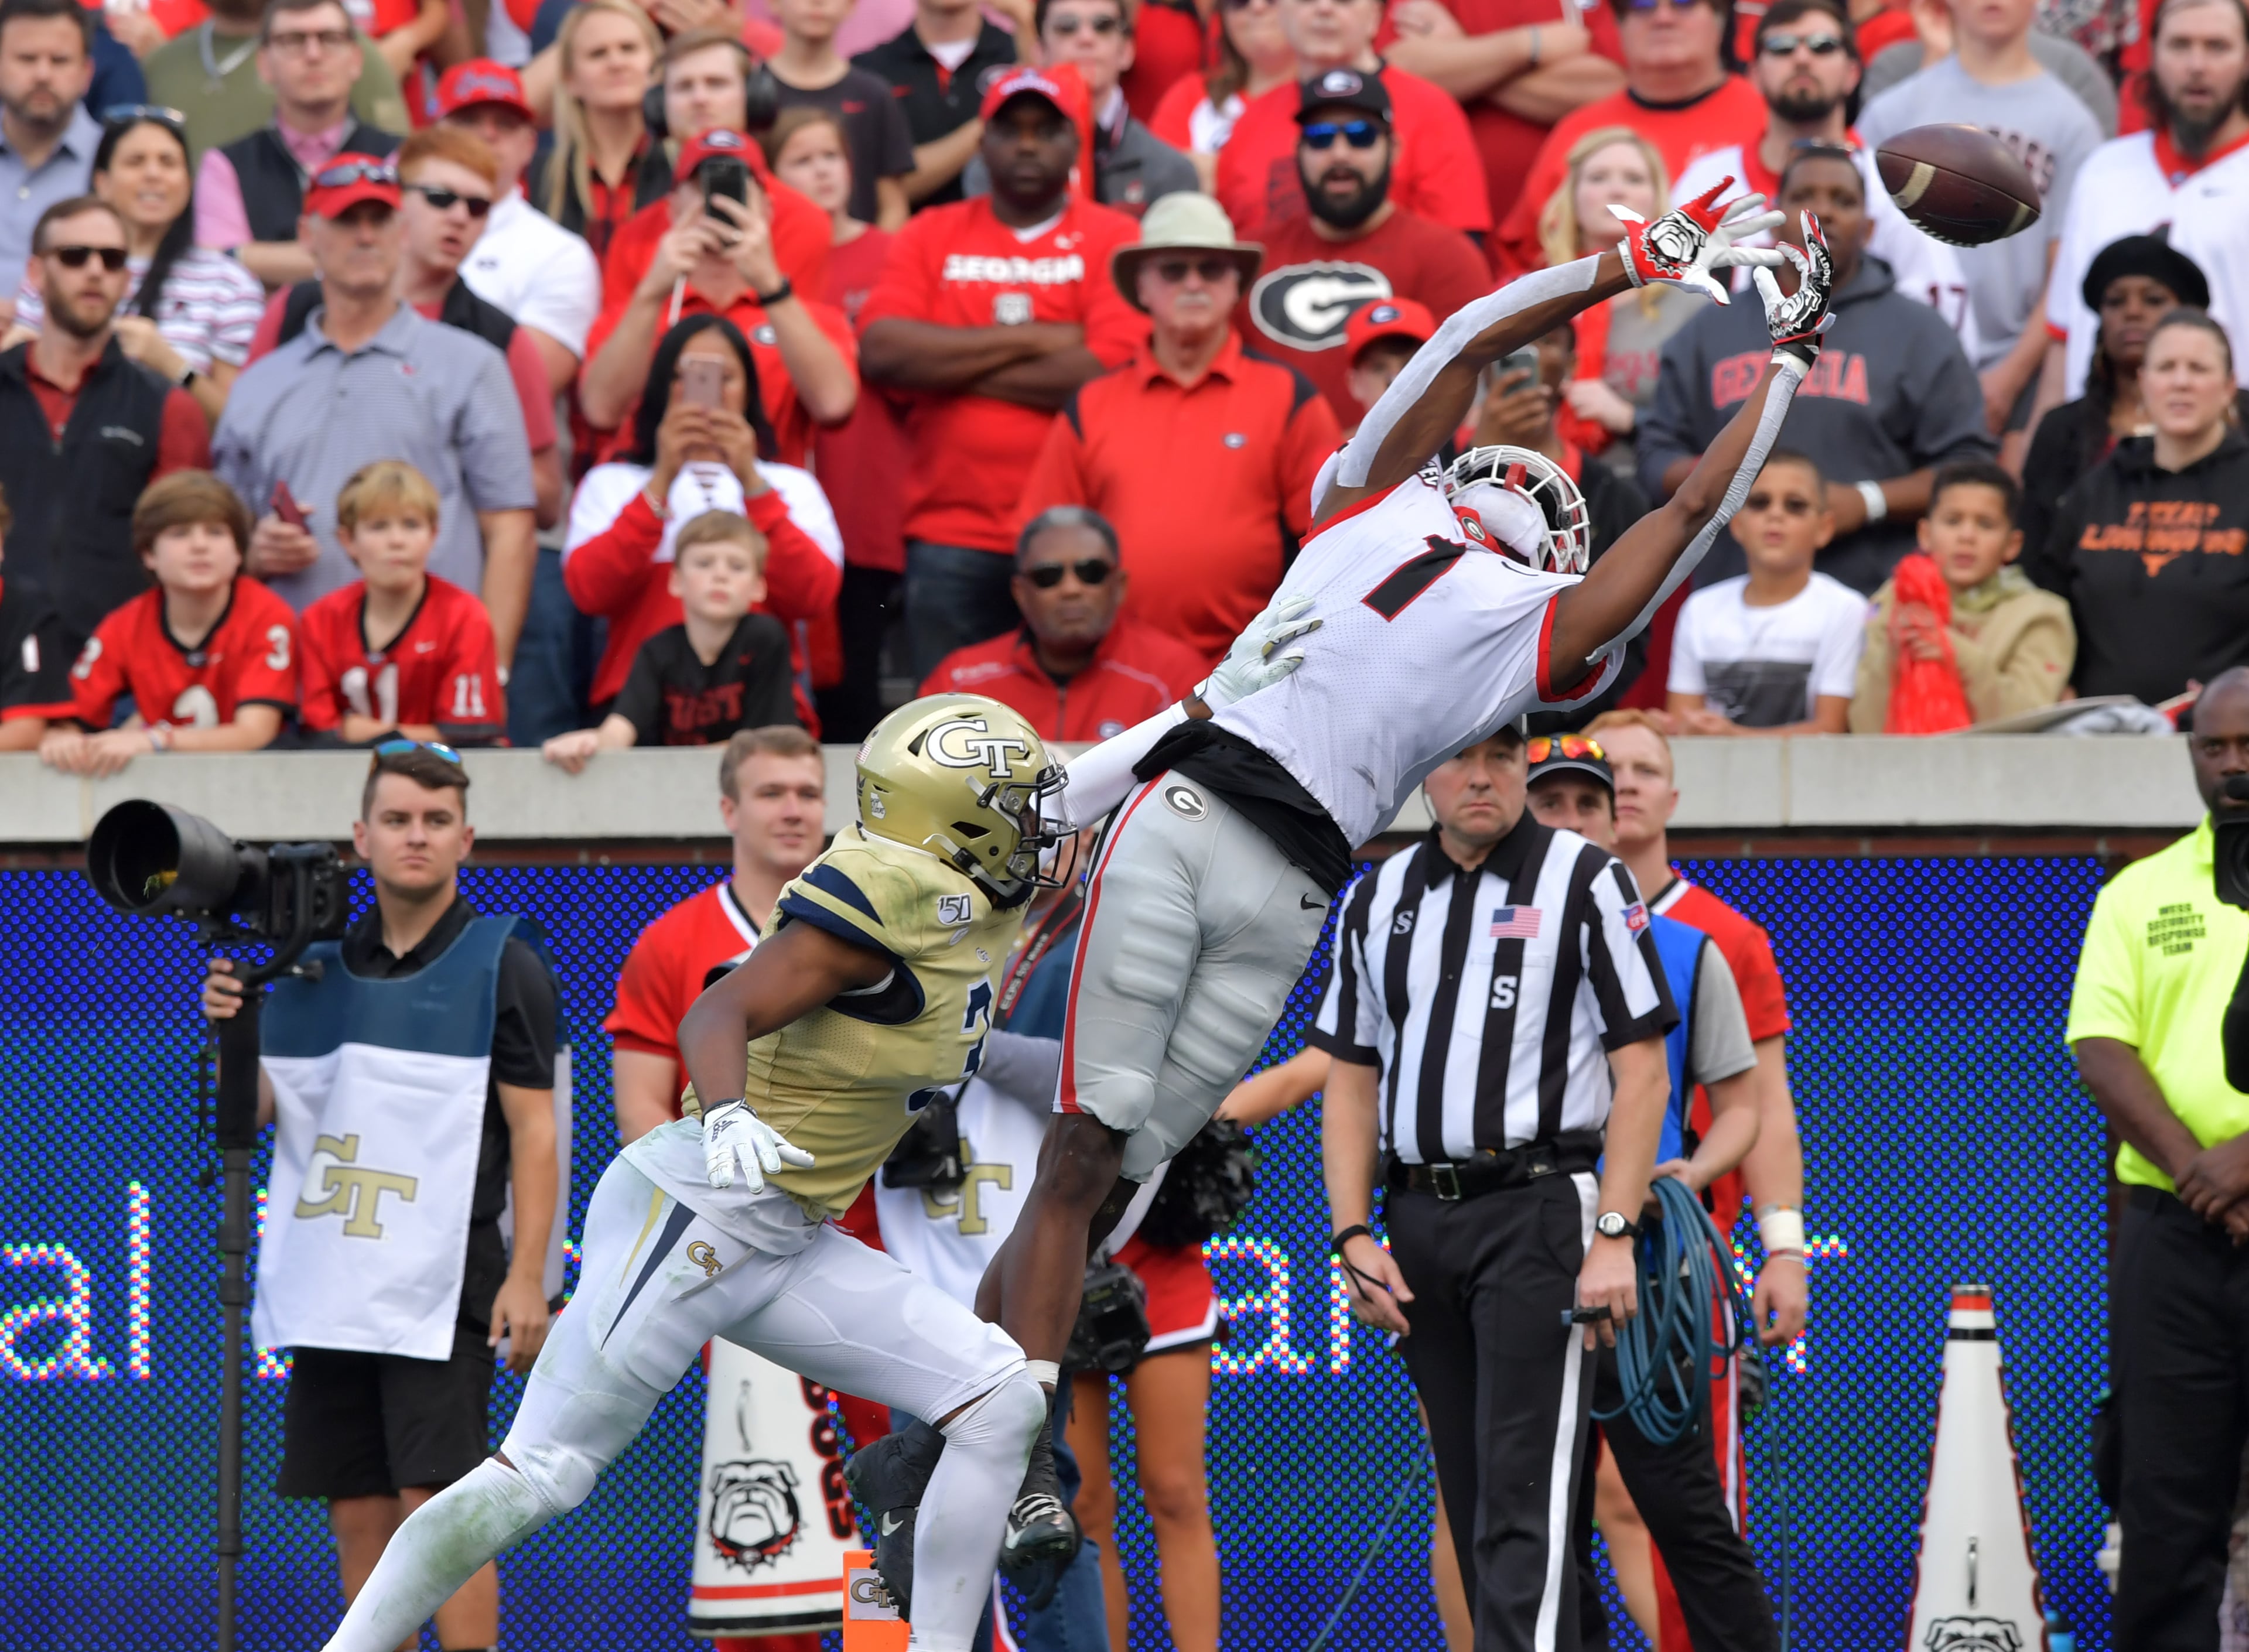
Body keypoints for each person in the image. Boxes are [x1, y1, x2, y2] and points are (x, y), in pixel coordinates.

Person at [849, 177, 1830, 1602]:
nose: (1530, 488)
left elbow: (1666, 502)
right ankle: (1018, 1448)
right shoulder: (1370, 504)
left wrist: (1767, 347)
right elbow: (1478, 346)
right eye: (1520, 475)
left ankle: (941, 1433)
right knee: (1079, 1156)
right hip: (1201, 809)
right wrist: (1651, 263)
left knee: (1112, 1181)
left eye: (1544, 495)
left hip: (1289, 887)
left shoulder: (1506, 619)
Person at [303, 673, 1315, 1652]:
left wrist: (1206, 702)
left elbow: (1077, 785)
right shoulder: (890, 890)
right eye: (1010, 807)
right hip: (701, 1207)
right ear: (959, 823)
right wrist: (731, 1109)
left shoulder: (971, 878)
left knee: (1001, 1398)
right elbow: (721, 1008)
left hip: (791, 1233)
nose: (1043, 824)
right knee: (542, 1474)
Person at [1310, 722, 1679, 1652]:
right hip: (1420, 1217)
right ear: (1422, 772)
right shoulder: (1377, 895)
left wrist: (1613, 1232)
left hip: (1541, 1207)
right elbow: (1351, 1079)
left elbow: (1645, 1074)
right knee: (1475, 1496)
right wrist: (1353, 1235)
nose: (1483, 776)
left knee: (1526, 1499)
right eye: (1461, 757)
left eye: (1503, 756)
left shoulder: (1585, 878)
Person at [203, 742, 559, 1652]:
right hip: (332, 1275)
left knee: (440, 1506)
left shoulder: (502, 961)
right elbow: (253, 1114)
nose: (416, 837)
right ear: (360, 836)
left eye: (436, 821)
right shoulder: (305, 966)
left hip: (448, 1275)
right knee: (359, 1507)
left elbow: (536, 1131)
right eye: (397, 819)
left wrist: (529, 1277)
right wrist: (232, 1029)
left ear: (467, 838)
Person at [1516, 735, 1776, 1652]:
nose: (1578, 819)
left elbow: (1743, 1105)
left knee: (1679, 1508)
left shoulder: (1689, 946)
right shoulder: (1484, 937)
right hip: (1523, 1249)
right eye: (1555, 803)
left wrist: (1695, 1175)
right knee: (1543, 1521)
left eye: (1592, 803)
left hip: (1647, 1255)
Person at [1579, 703, 1810, 1650]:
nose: (1625, 784)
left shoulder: (1720, 935)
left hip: (1672, 1261)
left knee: (1677, 1500)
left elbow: (1767, 1104)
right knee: (1525, 1503)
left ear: (1675, 793)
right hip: (1540, 1242)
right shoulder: (1522, 918)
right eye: (1608, 769)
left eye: (1643, 768)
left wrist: (1784, 1247)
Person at [2067, 665, 2249, 1652]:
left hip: (2213, 1198)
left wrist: (2244, 1163)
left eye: (2248, 747)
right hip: (2175, 1240)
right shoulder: (2143, 890)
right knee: (2167, 1507)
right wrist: (2204, 1176)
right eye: (2213, 747)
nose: (2231, 766)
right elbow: (2100, 1044)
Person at [859, 64, 1144, 680]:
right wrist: (1042, 338)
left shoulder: (1113, 236)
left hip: (1077, 534)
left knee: (1073, 731)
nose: (1028, 144)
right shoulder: (930, 232)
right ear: (982, 142)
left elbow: (1104, 370)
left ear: (1076, 143)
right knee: (952, 727)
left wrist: (946, 366)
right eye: (1010, 129)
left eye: (1047, 130)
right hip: (949, 529)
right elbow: (883, 351)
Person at [210, 157, 538, 658]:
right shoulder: (259, 383)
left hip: (432, 676)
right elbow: (222, 536)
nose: (366, 236)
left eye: (380, 220)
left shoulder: (472, 365)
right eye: (345, 221)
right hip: (291, 682)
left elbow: (510, 528)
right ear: (307, 235)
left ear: (403, 231)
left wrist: (489, 674)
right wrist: (255, 553)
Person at [1639, 143, 1994, 594]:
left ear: (1868, 227)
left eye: (1843, 200)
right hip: (1730, 601)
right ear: (1773, 216)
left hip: (1872, 598)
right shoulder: (1709, 330)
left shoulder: (1920, 331)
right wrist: (1727, 486)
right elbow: (1654, 457)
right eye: (1805, 196)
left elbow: (1968, 467)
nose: (1823, 211)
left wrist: (1867, 502)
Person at [1018, 190, 1341, 666]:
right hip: (1115, 670)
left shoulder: (1290, 396)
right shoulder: (1090, 404)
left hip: (1251, 666)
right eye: (1174, 270)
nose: (1193, 283)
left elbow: (1329, 541)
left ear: (1235, 286)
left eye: (1210, 269)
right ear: (1142, 288)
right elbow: (1046, 545)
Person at [247, 126, 564, 529]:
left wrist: (443, 453)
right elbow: (245, 439)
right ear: (397, 207)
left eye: (478, 207)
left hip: (437, 573)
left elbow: (548, 499)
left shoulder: (499, 338)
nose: (459, 217)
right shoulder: (296, 309)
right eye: (440, 198)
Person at [563, 313, 843, 719]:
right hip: (638, 713)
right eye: (686, 376)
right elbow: (591, 592)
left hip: (762, 712)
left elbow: (812, 596)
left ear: (749, 389)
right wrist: (661, 480)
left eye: (725, 377)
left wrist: (752, 483)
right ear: (662, 387)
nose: (706, 392)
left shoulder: (791, 485)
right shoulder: (613, 482)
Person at [0, 196, 208, 741]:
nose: (95, 270)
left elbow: (186, 561)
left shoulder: (168, 405)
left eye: (113, 259)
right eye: (74, 255)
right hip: (7, 681)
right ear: (35, 271)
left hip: (120, 695)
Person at [1667, 0, 1980, 359]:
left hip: (1869, 397)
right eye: (1782, 48)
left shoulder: (1895, 187)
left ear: (1852, 72)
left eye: (1822, 46)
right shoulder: (1706, 185)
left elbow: (1945, 330)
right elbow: (1667, 319)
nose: (1802, 58)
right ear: (1753, 75)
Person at [1854, 0, 2101, 449]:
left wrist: (2009, 379)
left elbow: (2066, 270)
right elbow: (1862, 253)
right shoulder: (1892, 112)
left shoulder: (2073, 124)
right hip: (1901, 362)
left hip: (2016, 367)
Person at [580, 119, 857, 470]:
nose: (719, 204)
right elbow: (601, 411)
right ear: (672, 209)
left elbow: (834, 405)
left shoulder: (804, 317)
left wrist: (771, 286)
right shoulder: (637, 313)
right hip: (653, 501)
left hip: (762, 502)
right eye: (703, 188)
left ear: (768, 210)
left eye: (735, 189)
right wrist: (651, 292)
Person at [604, 723, 828, 1146]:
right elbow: (640, 1109)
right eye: (771, 793)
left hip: (856, 1207)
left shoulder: (869, 928)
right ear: (729, 810)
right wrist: (717, 1200)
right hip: (714, 1198)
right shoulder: (669, 941)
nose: (794, 810)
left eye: (809, 794)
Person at [1232, 70, 1492, 425]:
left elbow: (1468, 406)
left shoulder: (1448, 257)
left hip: (1398, 477)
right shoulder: (1249, 257)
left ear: (1394, 149)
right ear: (1298, 152)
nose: (1340, 155)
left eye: (1361, 136)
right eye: (1320, 139)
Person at [765, 103, 910, 741]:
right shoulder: (764, 261)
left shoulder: (892, 251)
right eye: (802, 159)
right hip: (785, 495)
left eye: (832, 156)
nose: (821, 171)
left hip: (868, 490)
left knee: (859, 677)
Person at [2030, 307, 2249, 706]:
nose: (2181, 382)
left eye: (2198, 369)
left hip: (2224, 744)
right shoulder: (2096, 490)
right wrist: (2057, 684)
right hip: (2101, 735)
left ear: (2229, 386)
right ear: (2143, 383)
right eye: (2166, 367)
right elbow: (2049, 601)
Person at [2042, 0, 2249, 408]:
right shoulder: (2104, 172)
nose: (2197, 65)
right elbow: (2064, 337)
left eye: (2217, 47)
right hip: (2104, 447)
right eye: (2180, 45)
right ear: (2151, 57)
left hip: (2232, 451)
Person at [6, 107, 261, 426]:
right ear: (102, 182)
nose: (153, 174)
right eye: (135, 161)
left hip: (180, 467)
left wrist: (171, 366)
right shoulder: (62, 261)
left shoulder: (230, 283)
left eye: (168, 162)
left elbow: (240, 426)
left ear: (188, 182)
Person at [1458, 313, 1653, 721]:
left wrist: (1560, 720)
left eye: (1546, 340)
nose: (1528, 352)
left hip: (1570, 723)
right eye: (1513, 340)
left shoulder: (1616, 500)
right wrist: (1481, 453)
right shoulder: (1436, 479)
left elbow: (1629, 639)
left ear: (1572, 364)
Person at [37, 467, 295, 772]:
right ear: (149, 554)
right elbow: (73, 714)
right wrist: (63, 736)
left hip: (257, 781)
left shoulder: (268, 615)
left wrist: (156, 739)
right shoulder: (126, 623)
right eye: (180, 533)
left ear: (239, 552)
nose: (200, 546)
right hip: (166, 785)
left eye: (216, 532)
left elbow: (255, 732)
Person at [1495, 0, 1767, 277]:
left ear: (1720, 19)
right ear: (1618, 26)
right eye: (1642, 5)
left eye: (1684, 3)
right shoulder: (1579, 131)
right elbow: (1526, 261)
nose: (1663, 18)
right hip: (1603, 310)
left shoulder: (1767, 118)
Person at [920, 504, 1207, 739]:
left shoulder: (1177, 676)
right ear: (1021, 593)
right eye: (1048, 576)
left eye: (1091, 572)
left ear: (1119, 586)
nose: (1071, 589)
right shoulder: (960, 682)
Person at [1212, 0, 1491, 239]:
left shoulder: (1432, 109)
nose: (1324, 9)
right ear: (1281, 13)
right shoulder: (1251, 120)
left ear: (1376, 16)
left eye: (1344, 0)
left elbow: (1458, 253)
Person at [2020, 234, 2224, 559]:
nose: (2133, 312)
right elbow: (2035, 549)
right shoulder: (2061, 430)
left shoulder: (2237, 416)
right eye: (2115, 302)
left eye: (2154, 300)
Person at [545, 508, 798, 764]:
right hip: (673, 790)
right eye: (704, 563)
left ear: (758, 588)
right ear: (676, 581)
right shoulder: (657, 650)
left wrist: (688, 762)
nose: (721, 576)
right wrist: (589, 744)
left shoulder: (765, 638)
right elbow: (619, 731)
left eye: (737, 566)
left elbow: (770, 742)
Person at [194, 0, 402, 292]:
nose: (313, 54)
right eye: (293, 40)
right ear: (264, 63)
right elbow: (216, 272)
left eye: (330, 39)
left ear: (356, 60)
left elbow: (403, 258)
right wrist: (352, 255)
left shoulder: (397, 157)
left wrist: (245, 255)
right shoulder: (225, 165)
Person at [1850, 459, 2074, 730]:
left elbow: (2029, 719)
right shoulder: (1894, 600)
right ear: (1925, 534)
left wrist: (1955, 653)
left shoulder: (2040, 614)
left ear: (2012, 545)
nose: (1967, 536)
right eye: (1953, 521)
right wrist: (1893, 656)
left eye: (1986, 524)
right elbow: (1864, 727)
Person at [298, 459, 507, 747]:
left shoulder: (464, 616)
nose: (397, 541)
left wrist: (370, 732)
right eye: (379, 527)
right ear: (348, 540)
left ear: (433, 536)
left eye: (411, 525)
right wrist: (417, 733)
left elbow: (468, 735)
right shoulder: (321, 620)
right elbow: (318, 732)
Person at [1379, 0, 1629, 232]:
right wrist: (1531, 44)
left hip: (1575, 227)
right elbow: (1397, 72)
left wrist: (1464, 55)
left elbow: (1612, 85)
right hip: (1454, 222)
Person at [1665, 447, 1865, 734]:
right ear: (1737, 524)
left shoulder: (1846, 609)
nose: (1775, 515)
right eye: (1759, 503)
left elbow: (1830, 729)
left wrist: (1734, 738)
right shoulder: (1699, 609)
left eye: (1795, 505)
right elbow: (1683, 725)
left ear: (1824, 527)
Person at [438, 59, 603, 403]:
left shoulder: (559, 253)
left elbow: (524, 390)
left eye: (506, 124)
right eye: (468, 121)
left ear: (529, 145)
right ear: (434, 136)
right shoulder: (386, 229)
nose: (488, 135)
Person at [1532, 128, 1694, 467]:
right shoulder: (1531, 301)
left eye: (1634, 179)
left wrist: (1628, 419)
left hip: (1649, 497)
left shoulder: (1693, 305)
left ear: (1657, 199)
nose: (1617, 189)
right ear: (1573, 195)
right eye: (1598, 177)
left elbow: (1708, 428)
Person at [962, 0, 1198, 215]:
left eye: (1103, 26)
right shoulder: (995, 165)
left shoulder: (1169, 170)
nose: (1086, 38)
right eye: (1066, 27)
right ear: (1039, 52)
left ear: (1127, 51)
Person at [141, 0, 407, 162]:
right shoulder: (160, 64)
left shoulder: (338, 49)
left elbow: (401, 158)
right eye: (292, 41)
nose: (311, 53)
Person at [851, 0, 1024, 210]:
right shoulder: (867, 72)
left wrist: (1026, 26)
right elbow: (875, 189)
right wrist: (995, 119)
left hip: (1010, 236)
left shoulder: (1022, 56)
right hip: (912, 237)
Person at [525, 0, 663, 264]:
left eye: (629, 48)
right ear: (570, 80)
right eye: (598, 54)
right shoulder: (540, 175)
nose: (616, 63)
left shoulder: (685, 167)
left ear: (655, 67)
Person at [768, 0, 915, 229]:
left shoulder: (874, 93)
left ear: (851, 6)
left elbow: (893, 205)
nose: (817, 3)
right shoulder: (747, 92)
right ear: (773, 4)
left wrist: (873, 259)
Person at [0, 0, 101, 317]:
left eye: (59, 61)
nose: (43, 74)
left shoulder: (118, 166)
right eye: (27, 59)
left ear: (87, 73)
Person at [1146, 0, 1297, 191]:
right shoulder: (1191, 96)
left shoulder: (1329, 97)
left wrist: (1218, 172)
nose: (1257, 7)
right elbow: (1158, 185)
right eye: (1240, 2)